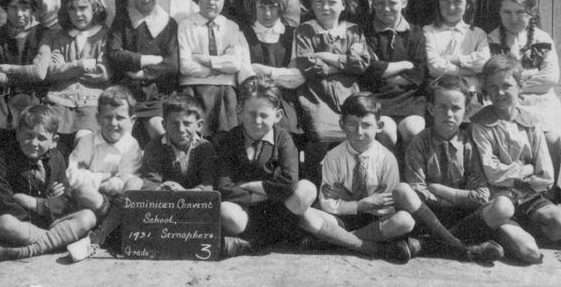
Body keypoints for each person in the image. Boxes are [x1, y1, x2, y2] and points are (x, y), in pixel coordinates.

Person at [470, 54, 561, 258]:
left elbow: (546, 175)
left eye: (507, 85)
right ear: (486, 90)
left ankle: (524, 230)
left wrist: (523, 179)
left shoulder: (532, 121)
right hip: (498, 198)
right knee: (530, 253)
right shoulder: (480, 123)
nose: (499, 92)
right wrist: (526, 169)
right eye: (492, 87)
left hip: (529, 196)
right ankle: (506, 232)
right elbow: (492, 172)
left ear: (520, 86)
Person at [404, 76, 509, 262]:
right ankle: (462, 249)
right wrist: (457, 199)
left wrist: (441, 191)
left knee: (503, 207)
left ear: (466, 111)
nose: (449, 114)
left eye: (456, 108)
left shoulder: (470, 144)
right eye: (442, 107)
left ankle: (427, 244)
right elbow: (417, 191)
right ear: (430, 109)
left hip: (464, 218)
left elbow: (482, 195)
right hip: (429, 215)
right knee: (403, 192)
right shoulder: (419, 143)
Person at [312, 92, 423, 262]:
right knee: (307, 214)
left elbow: (387, 206)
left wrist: (349, 198)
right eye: (352, 124)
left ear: (379, 126)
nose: (359, 132)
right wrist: (366, 202)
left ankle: (343, 239)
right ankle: (366, 244)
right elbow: (328, 204)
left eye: (366, 125)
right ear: (342, 125)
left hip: (376, 222)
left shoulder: (386, 159)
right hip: (342, 219)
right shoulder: (333, 157)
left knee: (405, 221)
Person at [215, 77, 317, 256]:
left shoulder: (283, 138)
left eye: (264, 115)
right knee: (226, 212)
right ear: (239, 111)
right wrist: (268, 193)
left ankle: (253, 242)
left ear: (277, 116)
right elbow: (223, 187)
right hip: (244, 210)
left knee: (307, 189)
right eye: (251, 114)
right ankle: (271, 240)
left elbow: (290, 182)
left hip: (278, 211)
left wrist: (249, 186)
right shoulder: (229, 140)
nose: (257, 121)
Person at [0, 104, 97, 262]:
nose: (33, 143)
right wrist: (45, 207)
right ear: (18, 134)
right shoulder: (4, 158)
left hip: (50, 221)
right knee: (4, 224)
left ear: (54, 140)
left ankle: (29, 250)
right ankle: (59, 241)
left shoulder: (57, 157)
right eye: (28, 135)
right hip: (22, 223)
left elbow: (65, 196)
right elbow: (4, 199)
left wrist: (40, 204)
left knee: (88, 217)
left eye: (42, 138)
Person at [487, 0, 561, 180]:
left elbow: (550, 77)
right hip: (507, 103)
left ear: (531, 12)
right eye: (507, 12)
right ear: (499, 12)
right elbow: (493, 76)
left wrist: (513, 84)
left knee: (550, 138)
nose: (513, 19)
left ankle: (549, 189)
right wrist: (530, 75)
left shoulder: (542, 38)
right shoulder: (492, 40)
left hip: (542, 104)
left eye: (520, 12)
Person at [106, 0, 179, 143]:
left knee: (158, 130)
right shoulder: (123, 19)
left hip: (156, 94)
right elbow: (114, 54)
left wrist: (142, 74)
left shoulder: (169, 24)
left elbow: (171, 64)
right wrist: (147, 60)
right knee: (120, 135)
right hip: (125, 91)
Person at [293, 0, 371, 148]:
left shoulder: (352, 31)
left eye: (332, 2)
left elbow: (362, 62)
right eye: (319, 2)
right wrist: (346, 63)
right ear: (312, 4)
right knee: (321, 135)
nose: (325, 7)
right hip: (317, 97)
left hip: (349, 97)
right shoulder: (306, 31)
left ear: (343, 4)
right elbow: (307, 64)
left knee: (358, 134)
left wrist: (326, 57)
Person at [66, 86, 144, 253]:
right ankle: (113, 231)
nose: (113, 123)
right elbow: (72, 177)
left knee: (134, 184)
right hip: (95, 203)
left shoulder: (131, 145)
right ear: (98, 118)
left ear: (132, 120)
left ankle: (102, 234)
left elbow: (125, 181)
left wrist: (91, 177)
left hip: (120, 203)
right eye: (107, 117)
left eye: (120, 118)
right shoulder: (87, 141)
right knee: (85, 191)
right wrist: (105, 176)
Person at [0, 0, 51, 157]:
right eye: (13, 7)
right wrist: (22, 75)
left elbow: (39, 72)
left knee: (30, 129)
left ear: (33, 8)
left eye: (25, 7)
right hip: (2, 97)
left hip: (32, 96)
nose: (19, 13)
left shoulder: (43, 34)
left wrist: (9, 69)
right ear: (5, 7)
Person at [178, 0, 249, 138]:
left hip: (224, 91)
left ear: (225, 0)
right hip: (194, 89)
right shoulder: (186, 26)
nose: (211, 2)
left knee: (226, 138)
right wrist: (219, 68)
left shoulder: (231, 27)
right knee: (195, 137)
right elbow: (186, 66)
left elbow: (234, 64)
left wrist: (202, 59)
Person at [361, 0, 428, 150]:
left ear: (404, 1)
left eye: (392, 3)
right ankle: (388, 172)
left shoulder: (415, 33)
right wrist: (404, 66)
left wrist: (384, 73)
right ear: (372, 3)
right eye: (379, 3)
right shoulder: (366, 33)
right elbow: (369, 69)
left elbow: (418, 74)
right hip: (377, 98)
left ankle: (412, 173)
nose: (386, 9)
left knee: (414, 130)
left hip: (409, 98)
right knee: (385, 131)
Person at [45, 0, 111, 153]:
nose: (78, 14)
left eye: (83, 8)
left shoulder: (103, 35)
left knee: (83, 139)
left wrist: (67, 70)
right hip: (59, 100)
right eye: (72, 9)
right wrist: (81, 65)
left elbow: (102, 72)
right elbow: (52, 71)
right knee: (51, 141)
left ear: (94, 7)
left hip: (91, 102)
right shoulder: (61, 36)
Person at [241, 0, 304, 137]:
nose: (267, 13)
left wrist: (265, 71)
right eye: (262, 7)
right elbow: (246, 76)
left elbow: (297, 77)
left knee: (287, 129)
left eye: (273, 7)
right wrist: (283, 74)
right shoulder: (244, 34)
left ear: (281, 7)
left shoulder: (293, 34)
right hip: (255, 101)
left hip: (285, 101)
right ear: (254, 6)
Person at [423, 0, 490, 96]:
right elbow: (433, 66)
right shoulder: (429, 31)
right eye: (445, 1)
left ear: (468, 4)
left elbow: (484, 62)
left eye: (458, 1)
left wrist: (450, 58)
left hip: (472, 93)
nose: (451, 7)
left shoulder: (477, 33)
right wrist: (462, 71)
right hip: (440, 94)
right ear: (438, 3)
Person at [141, 93, 218, 191]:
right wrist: (164, 190)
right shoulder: (155, 147)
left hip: (197, 202)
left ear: (199, 125)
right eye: (174, 124)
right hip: (164, 200)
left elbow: (208, 186)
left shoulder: (205, 147)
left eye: (187, 123)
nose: (181, 129)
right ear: (164, 125)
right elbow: (150, 183)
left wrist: (183, 192)